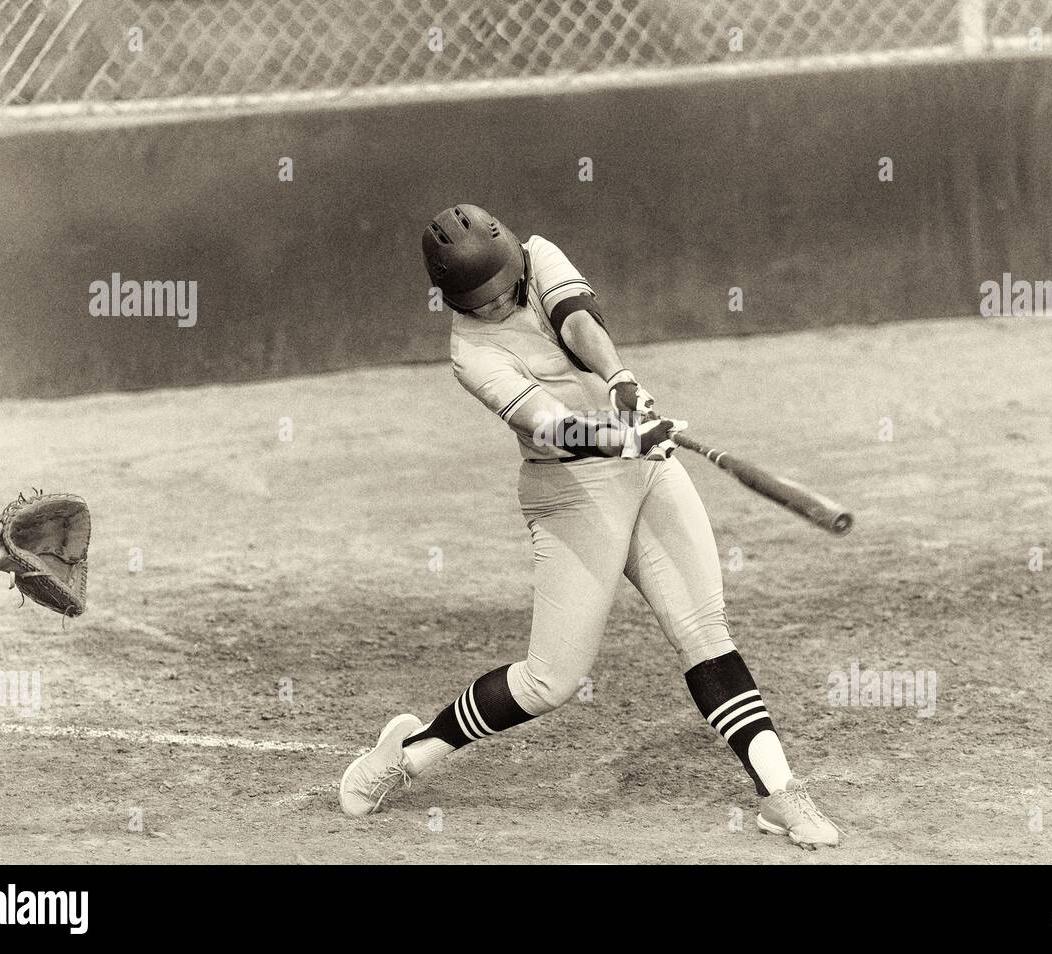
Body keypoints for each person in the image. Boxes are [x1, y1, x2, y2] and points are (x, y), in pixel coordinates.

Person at [339, 204, 840, 848]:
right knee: (550, 682)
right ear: (455, 301)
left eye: (502, 292)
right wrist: (620, 437)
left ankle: (781, 793)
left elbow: (577, 320)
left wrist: (621, 379)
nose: (497, 308)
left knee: (704, 633)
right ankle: (408, 753)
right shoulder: (471, 354)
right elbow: (551, 427)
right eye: (480, 303)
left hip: (649, 471)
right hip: (571, 493)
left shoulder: (540, 256)